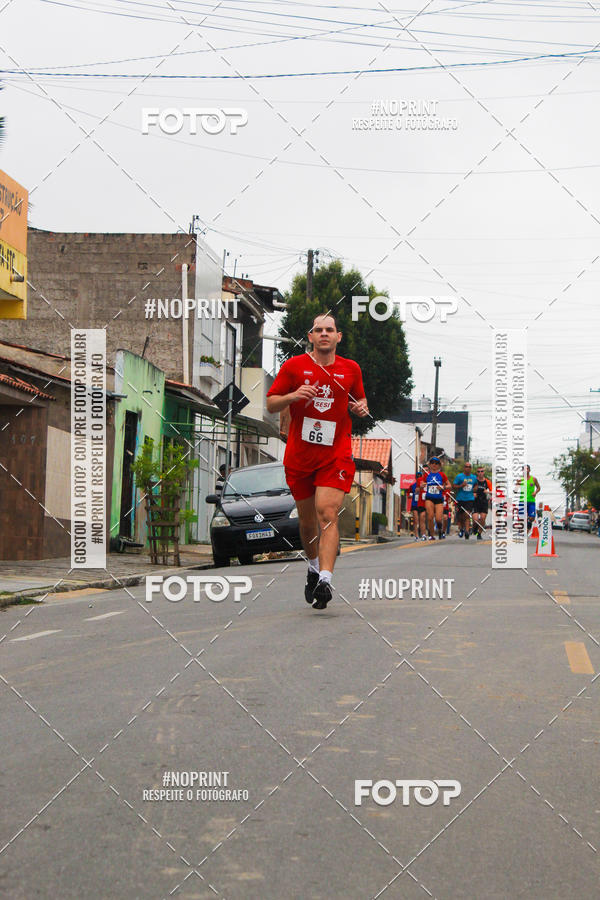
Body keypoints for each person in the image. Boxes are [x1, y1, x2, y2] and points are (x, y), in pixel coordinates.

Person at [266, 313, 369, 609]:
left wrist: (361, 408)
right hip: (300, 456)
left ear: (338, 337)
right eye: (318, 330)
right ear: (310, 337)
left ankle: (325, 579)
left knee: (327, 513)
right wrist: (294, 395)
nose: (324, 334)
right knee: (308, 522)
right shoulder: (294, 366)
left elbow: (361, 401)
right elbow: (271, 402)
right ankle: (313, 567)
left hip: (335, 454)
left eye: (330, 330)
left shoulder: (351, 369)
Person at [424, 457, 450, 540]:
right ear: (430, 465)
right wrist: (421, 485)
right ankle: (431, 535)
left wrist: (443, 487)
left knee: (438, 519)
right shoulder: (426, 474)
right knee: (430, 517)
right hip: (429, 497)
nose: (434, 465)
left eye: (436, 463)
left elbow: (450, 486)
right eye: (432, 463)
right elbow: (421, 484)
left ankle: (440, 530)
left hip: (439, 498)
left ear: (439, 465)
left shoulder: (442, 475)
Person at [453, 461, 478, 539]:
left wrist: (474, 489)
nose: (467, 468)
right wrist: (461, 485)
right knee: (460, 516)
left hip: (469, 499)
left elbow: (476, 484)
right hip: (460, 498)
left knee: (467, 514)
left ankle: (467, 531)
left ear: (471, 468)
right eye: (466, 467)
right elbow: (454, 485)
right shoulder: (459, 476)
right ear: (464, 468)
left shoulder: (473, 477)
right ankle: (461, 529)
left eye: (469, 467)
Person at [473, 467, 492, 540]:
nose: (480, 473)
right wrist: (472, 494)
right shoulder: (474, 481)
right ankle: (475, 528)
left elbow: (493, 491)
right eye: (478, 471)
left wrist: (487, 492)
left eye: (481, 471)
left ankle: (479, 533)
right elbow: (468, 490)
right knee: (475, 519)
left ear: (484, 472)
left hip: (484, 502)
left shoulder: (487, 482)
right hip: (475, 502)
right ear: (477, 473)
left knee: (483, 518)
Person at [520, 465, 541, 531]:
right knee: (521, 517)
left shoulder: (534, 479)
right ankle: (524, 529)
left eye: (527, 469)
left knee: (532, 518)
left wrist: (535, 492)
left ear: (529, 470)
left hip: (531, 501)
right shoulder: (520, 480)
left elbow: (538, 487)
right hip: (522, 500)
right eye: (524, 469)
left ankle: (528, 524)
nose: (526, 470)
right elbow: (515, 489)